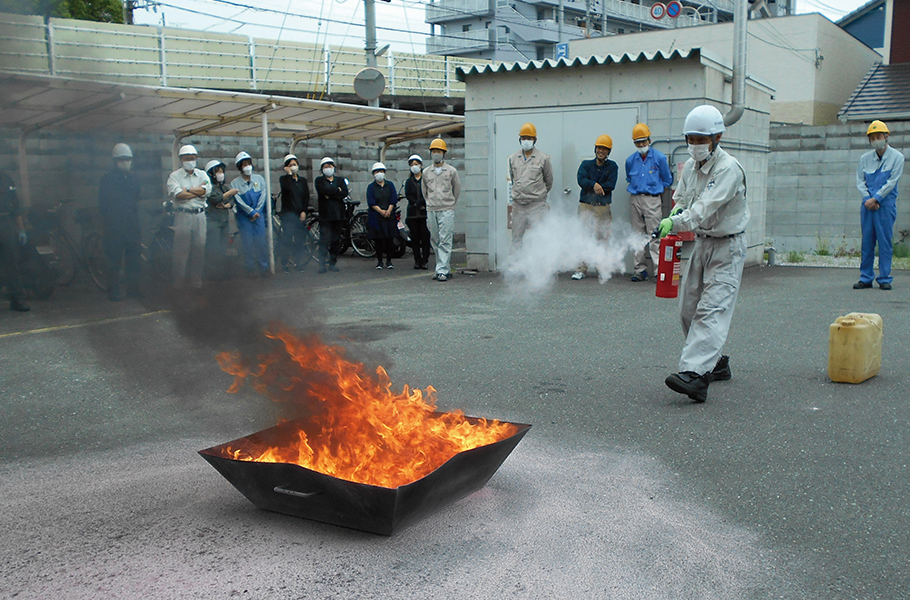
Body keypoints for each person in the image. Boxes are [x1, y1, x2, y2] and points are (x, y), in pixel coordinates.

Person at [657, 105, 748, 403]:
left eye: (701, 139)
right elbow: (683, 198)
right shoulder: (691, 168)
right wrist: (675, 209)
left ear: (717, 136)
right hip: (703, 244)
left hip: (727, 246)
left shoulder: (728, 169)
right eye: (691, 139)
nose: (695, 145)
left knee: (712, 309)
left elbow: (704, 207)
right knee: (688, 309)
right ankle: (715, 362)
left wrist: (678, 220)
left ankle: (696, 375)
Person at [854, 120, 904, 291]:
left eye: (879, 136)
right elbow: (860, 181)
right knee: (867, 241)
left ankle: (884, 278)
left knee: (884, 241)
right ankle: (866, 277)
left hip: (885, 204)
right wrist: (868, 199)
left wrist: (876, 198)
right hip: (867, 204)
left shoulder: (897, 157)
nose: (876, 140)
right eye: (873, 138)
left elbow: (892, 182)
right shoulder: (865, 159)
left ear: (886, 136)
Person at [626, 123, 674, 282]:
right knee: (637, 235)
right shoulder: (631, 160)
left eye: (643, 141)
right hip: (635, 198)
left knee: (655, 235)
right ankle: (639, 270)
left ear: (649, 139)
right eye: (637, 142)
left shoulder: (659, 158)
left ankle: (659, 271)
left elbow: (667, 180)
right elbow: (629, 177)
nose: (641, 145)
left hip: (652, 198)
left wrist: (658, 193)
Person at [98, 143, 143, 301]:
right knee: (113, 261)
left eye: (128, 159)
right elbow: (103, 203)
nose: (125, 163)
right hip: (114, 225)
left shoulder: (134, 178)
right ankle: (113, 291)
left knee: (134, 259)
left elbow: (136, 197)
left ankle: (133, 289)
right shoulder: (107, 179)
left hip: (132, 225)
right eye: (122, 160)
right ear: (115, 161)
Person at [572, 134, 618, 280]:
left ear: (609, 151)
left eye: (605, 149)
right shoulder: (586, 165)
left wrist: (594, 185)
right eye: (599, 148)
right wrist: (594, 185)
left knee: (602, 237)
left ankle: (601, 268)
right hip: (586, 206)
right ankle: (581, 268)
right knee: (583, 237)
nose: (601, 151)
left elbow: (611, 185)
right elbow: (581, 180)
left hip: (602, 207)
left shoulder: (612, 166)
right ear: (595, 149)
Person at [166, 144, 211, 290]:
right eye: (187, 158)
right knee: (181, 252)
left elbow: (207, 191)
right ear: (181, 159)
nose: (190, 161)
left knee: (199, 249)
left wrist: (188, 190)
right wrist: (198, 192)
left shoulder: (203, 174)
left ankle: (195, 283)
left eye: (192, 158)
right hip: (183, 215)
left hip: (200, 215)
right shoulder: (174, 176)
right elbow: (179, 195)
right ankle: (178, 283)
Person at [422, 138, 461, 282]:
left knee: (445, 239)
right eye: (433, 151)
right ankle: (441, 267)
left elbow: (456, 190)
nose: (436, 154)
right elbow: (424, 191)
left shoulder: (451, 171)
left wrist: (450, 203)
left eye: (438, 151)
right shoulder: (426, 172)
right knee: (435, 239)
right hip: (432, 208)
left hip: (446, 208)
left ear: (444, 153)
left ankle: (442, 270)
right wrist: (430, 203)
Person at [230, 151, 270, 278]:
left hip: (258, 216)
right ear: (239, 167)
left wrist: (257, 211)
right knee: (247, 243)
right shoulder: (234, 183)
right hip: (244, 217)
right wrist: (251, 212)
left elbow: (263, 196)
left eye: (248, 163)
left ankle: (264, 267)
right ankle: (250, 268)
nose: (247, 166)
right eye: (244, 164)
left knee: (261, 242)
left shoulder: (260, 179)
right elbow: (238, 201)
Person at [0, 170, 29, 311]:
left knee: (12, 263)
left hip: (6, 222)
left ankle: (17, 299)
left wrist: (21, 229)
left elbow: (16, 205)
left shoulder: (6, 178)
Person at [204, 159, 238, 281]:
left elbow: (232, 200)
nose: (220, 174)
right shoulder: (209, 187)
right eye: (217, 171)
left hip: (224, 221)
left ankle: (221, 273)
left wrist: (227, 205)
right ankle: (212, 275)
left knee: (223, 248)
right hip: (213, 222)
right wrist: (228, 195)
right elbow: (216, 198)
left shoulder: (224, 187)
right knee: (213, 249)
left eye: (222, 171)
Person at [277, 153, 311, 274]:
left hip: (299, 215)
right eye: (290, 165)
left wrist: (304, 211)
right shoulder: (284, 180)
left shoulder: (302, 181)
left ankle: (298, 263)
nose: (293, 167)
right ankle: (284, 263)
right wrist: (289, 175)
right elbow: (288, 189)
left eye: (295, 164)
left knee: (299, 240)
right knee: (287, 240)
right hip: (288, 215)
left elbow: (306, 197)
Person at [313, 157, 348, 273]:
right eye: (325, 166)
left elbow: (344, 193)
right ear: (322, 169)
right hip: (325, 215)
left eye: (330, 166)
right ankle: (322, 264)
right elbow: (323, 191)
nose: (328, 169)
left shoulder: (340, 180)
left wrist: (333, 193)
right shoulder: (319, 180)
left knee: (336, 240)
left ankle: (333, 262)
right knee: (324, 239)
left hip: (338, 215)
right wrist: (336, 191)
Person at [366, 162, 399, 270]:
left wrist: (389, 210)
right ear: (373, 174)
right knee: (378, 240)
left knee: (389, 239)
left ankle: (389, 261)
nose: (379, 174)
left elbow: (393, 198)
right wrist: (381, 211)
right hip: (376, 216)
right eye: (377, 172)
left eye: (381, 171)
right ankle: (379, 262)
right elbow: (371, 202)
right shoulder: (371, 187)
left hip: (389, 216)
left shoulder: (390, 185)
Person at [403, 154, 430, 270]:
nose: (414, 167)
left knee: (425, 238)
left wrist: (422, 203)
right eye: (412, 165)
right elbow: (408, 195)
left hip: (425, 213)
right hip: (413, 213)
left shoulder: (426, 179)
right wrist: (416, 203)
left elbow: (429, 193)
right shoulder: (409, 181)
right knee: (415, 238)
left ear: (421, 165)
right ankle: (417, 260)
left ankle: (425, 260)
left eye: (416, 164)